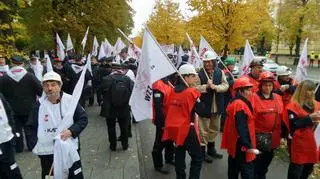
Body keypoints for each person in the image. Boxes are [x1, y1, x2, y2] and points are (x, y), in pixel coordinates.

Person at [25, 71, 88, 179]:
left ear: (60, 86)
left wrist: (72, 131)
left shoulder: (70, 101)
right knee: (50, 176)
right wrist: (34, 144)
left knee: (73, 174)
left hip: (69, 148)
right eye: (46, 85)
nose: (49, 88)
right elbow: (30, 126)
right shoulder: (39, 104)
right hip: (47, 152)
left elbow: (83, 119)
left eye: (53, 85)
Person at [162, 64, 206, 179]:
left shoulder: (172, 91)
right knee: (197, 157)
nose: (195, 78)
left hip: (175, 129)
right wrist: (199, 99)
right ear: (185, 78)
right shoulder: (191, 92)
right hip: (187, 129)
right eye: (193, 76)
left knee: (179, 154)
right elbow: (202, 112)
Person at [0, 56, 43, 153]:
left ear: (11, 64)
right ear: (22, 64)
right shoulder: (30, 76)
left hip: (12, 108)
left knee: (16, 128)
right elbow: (40, 91)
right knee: (29, 127)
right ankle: (31, 145)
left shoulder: (4, 78)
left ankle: (18, 148)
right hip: (29, 107)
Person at [221, 77, 260, 179]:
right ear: (240, 91)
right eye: (247, 89)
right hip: (241, 144)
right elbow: (242, 128)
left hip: (236, 142)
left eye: (250, 89)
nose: (250, 92)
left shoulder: (235, 102)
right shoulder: (240, 105)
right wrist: (249, 146)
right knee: (246, 170)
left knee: (234, 167)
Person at [283, 80, 320, 179]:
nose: (312, 92)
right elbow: (293, 125)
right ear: (302, 91)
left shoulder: (317, 104)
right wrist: (309, 119)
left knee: (308, 169)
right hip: (299, 143)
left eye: (313, 90)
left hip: (313, 142)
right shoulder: (293, 105)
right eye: (309, 90)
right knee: (296, 172)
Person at [197, 51, 229, 162]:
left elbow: (226, 86)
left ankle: (211, 149)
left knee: (214, 129)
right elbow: (195, 88)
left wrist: (216, 87)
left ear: (214, 62)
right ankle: (202, 153)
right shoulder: (199, 73)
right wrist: (206, 86)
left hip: (217, 106)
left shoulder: (220, 72)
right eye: (205, 62)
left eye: (209, 61)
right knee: (203, 131)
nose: (207, 64)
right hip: (205, 107)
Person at [251, 72, 283, 179]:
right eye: (265, 85)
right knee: (257, 163)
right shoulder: (254, 98)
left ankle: (262, 175)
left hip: (274, 137)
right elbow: (250, 119)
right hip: (259, 137)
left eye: (270, 85)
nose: (268, 87)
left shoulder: (278, 97)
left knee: (267, 161)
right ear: (260, 85)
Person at [98, 63, 133, 151]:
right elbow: (132, 91)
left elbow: (99, 91)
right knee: (124, 126)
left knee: (111, 127)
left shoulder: (106, 79)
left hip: (110, 108)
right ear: (120, 69)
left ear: (112, 70)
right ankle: (125, 144)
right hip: (124, 107)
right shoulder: (127, 79)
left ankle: (112, 145)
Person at [151, 77, 175, 174]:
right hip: (162, 119)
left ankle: (169, 158)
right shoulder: (158, 85)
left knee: (169, 140)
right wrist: (161, 123)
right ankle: (158, 165)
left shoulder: (169, 82)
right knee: (160, 142)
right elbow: (158, 106)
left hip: (170, 117)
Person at [0, 93, 23, 178]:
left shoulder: (0, 95)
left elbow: (8, 111)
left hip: (7, 140)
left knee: (12, 168)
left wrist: (12, 130)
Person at [221, 57, 236, 131]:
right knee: (225, 110)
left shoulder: (229, 72)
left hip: (228, 94)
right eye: (233, 65)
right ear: (229, 65)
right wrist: (234, 82)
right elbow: (227, 84)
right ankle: (222, 126)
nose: (234, 66)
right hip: (226, 95)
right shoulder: (226, 73)